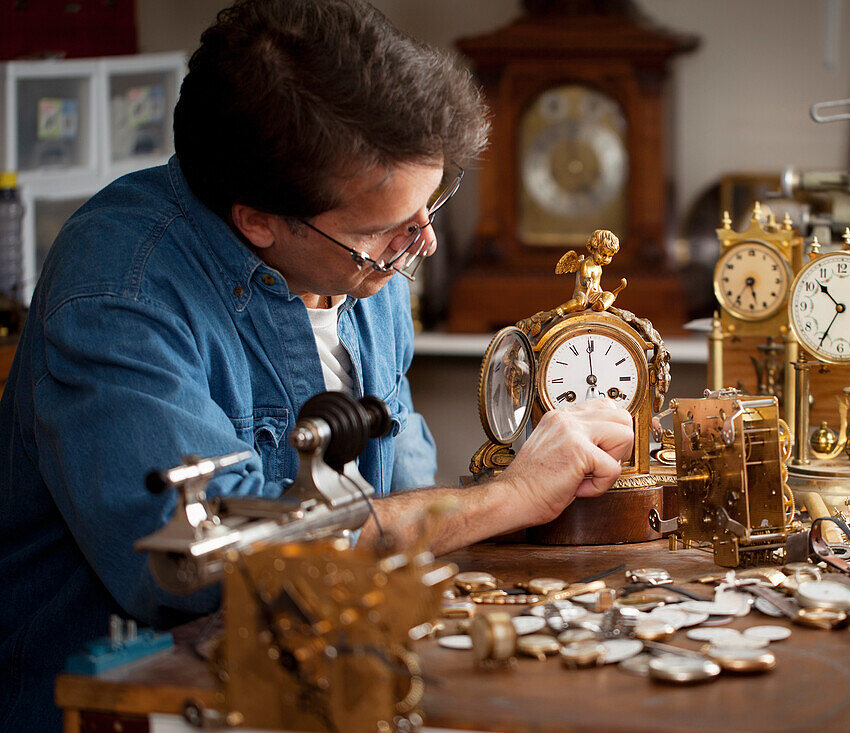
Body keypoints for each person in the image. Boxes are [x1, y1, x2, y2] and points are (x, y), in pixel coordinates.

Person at [0, 2, 633, 729]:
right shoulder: (119, 288)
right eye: (384, 233)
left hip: (334, 673)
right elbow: (205, 577)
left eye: (431, 204)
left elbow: (399, 492)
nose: (420, 247)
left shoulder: (366, 269)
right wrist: (511, 495)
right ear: (257, 220)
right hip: (144, 703)